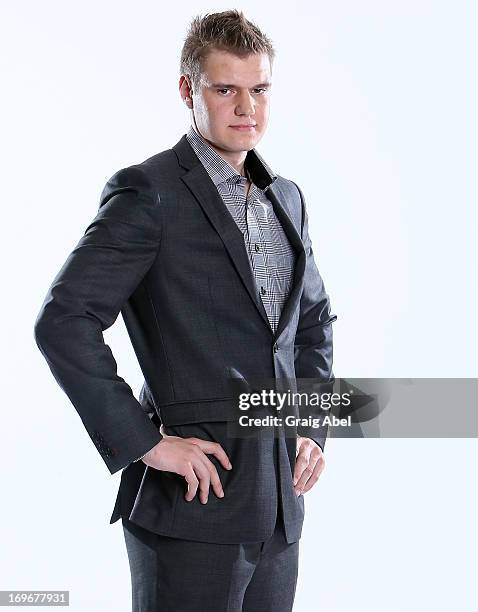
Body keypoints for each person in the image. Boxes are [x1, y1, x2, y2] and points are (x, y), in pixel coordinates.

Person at [34, 9, 337, 612]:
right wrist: (144, 441)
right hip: (190, 506)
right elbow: (64, 319)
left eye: (259, 90)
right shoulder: (149, 193)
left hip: (279, 511)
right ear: (188, 91)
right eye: (225, 89)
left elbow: (312, 321)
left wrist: (313, 423)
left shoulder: (288, 198)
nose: (245, 107)